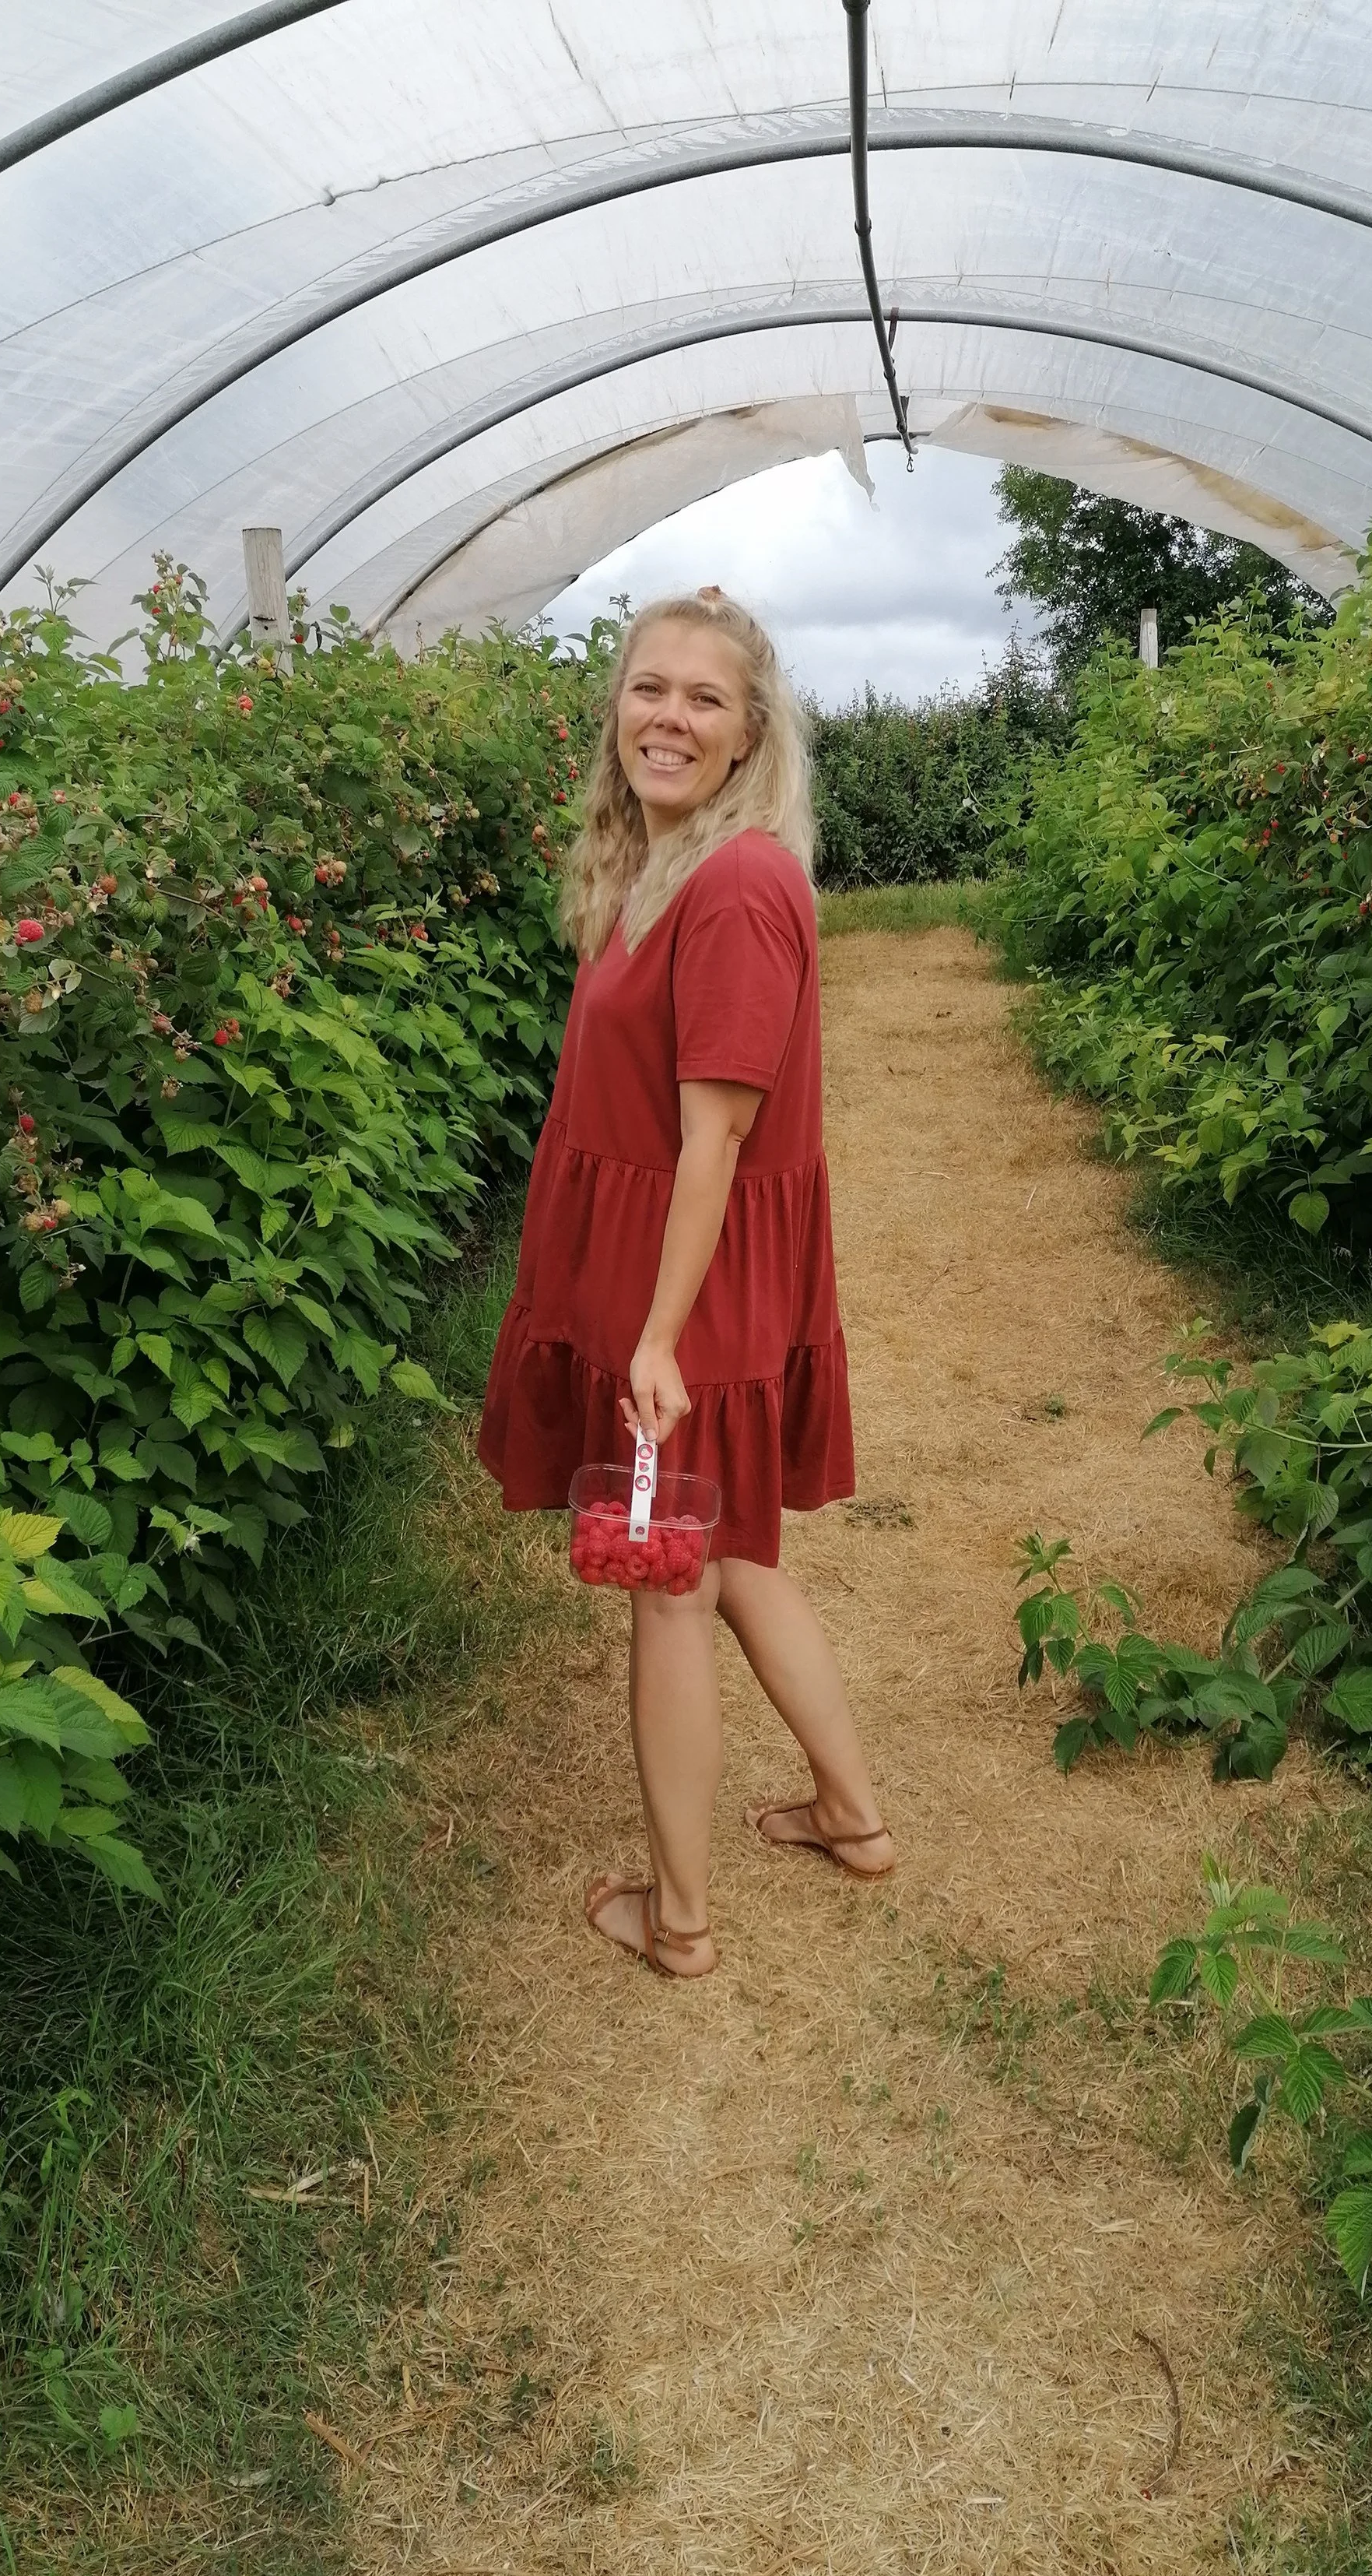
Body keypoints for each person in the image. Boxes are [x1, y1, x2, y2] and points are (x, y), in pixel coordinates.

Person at [477, 588, 896, 1977]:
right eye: (648, 688)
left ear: (748, 732)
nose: (669, 716)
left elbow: (716, 1132)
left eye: (704, 699)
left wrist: (656, 1339)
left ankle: (681, 1917)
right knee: (730, 1555)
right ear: (616, 710)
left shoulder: (734, 886)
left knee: (669, 1584)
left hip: (688, 1301)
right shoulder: (660, 871)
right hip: (680, 1285)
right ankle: (851, 1813)